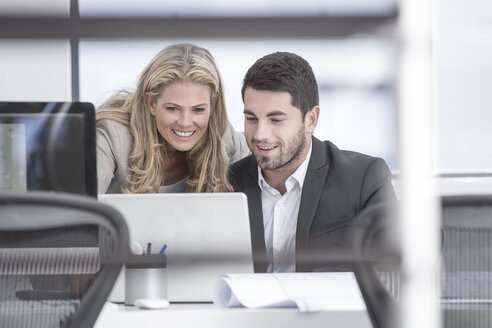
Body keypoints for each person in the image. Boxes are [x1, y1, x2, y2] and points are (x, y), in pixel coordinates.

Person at [229, 51, 396, 273]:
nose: (260, 134)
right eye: (251, 118)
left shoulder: (363, 178)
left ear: (311, 120)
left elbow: (405, 251)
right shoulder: (227, 182)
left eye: (276, 119)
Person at [96, 43, 249, 194]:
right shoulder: (111, 135)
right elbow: (80, 206)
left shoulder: (223, 138)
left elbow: (266, 161)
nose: (185, 122)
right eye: (173, 108)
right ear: (151, 103)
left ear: (213, 104)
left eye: (198, 109)